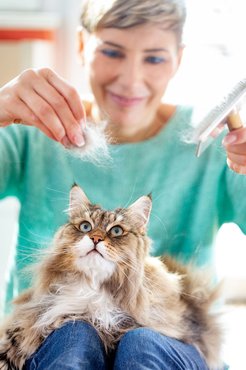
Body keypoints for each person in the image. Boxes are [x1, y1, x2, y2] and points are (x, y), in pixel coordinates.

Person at [0, 0, 243, 368]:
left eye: (155, 58)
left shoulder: (214, 143)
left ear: (179, 59)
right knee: (73, 339)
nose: (131, 80)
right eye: (112, 52)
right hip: (52, 336)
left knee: (143, 345)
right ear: (82, 46)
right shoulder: (29, 133)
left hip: (170, 341)